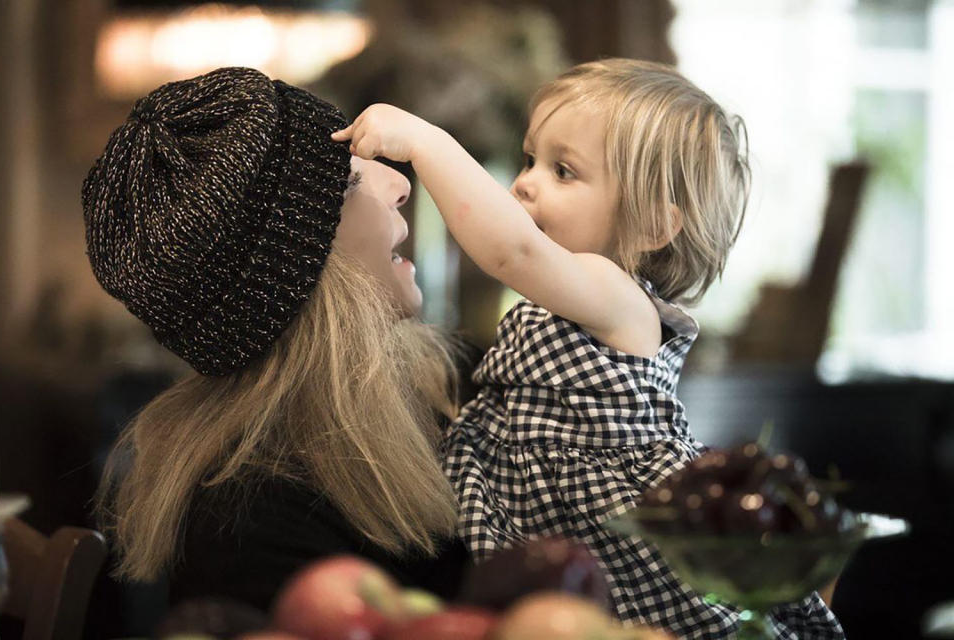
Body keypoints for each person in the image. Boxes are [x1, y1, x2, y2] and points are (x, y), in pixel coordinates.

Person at [333, 59, 844, 638]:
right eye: (530, 160)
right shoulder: (570, 300)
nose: (526, 182)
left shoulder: (621, 299)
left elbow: (514, 252)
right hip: (538, 520)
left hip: (612, 534)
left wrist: (427, 144)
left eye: (563, 171)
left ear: (654, 225)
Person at [83, 67, 470, 612]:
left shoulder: (449, 382)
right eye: (351, 178)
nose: (401, 182)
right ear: (296, 271)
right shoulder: (256, 526)